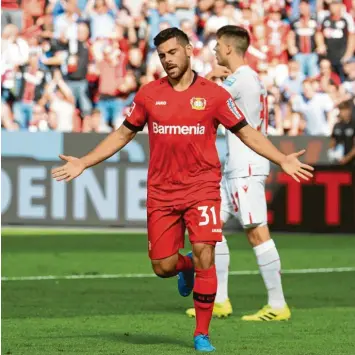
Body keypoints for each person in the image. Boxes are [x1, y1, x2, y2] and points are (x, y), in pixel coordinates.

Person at [52, 27, 314, 352]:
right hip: (162, 192)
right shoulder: (149, 95)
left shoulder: (215, 96)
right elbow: (122, 134)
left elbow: (247, 132)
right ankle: (185, 265)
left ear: (189, 50)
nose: (167, 60)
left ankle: (201, 333)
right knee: (163, 266)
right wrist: (84, 162)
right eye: (162, 56)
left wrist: (281, 158)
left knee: (208, 252)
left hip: (202, 188)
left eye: (172, 53)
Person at [185, 25, 291, 322]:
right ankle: (219, 300)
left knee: (257, 233)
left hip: (246, 168)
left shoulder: (241, 79)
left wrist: (196, 81)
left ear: (229, 48)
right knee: (209, 232)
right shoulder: (244, 79)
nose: (215, 50)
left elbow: (203, 104)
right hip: (234, 168)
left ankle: (278, 304)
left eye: (218, 45)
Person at [329, 99, 355, 166]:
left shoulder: (353, 125)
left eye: (345, 109)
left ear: (349, 110)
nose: (343, 112)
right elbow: (332, 142)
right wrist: (332, 153)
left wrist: (346, 158)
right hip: (338, 161)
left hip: (351, 162)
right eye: (341, 110)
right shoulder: (336, 125)